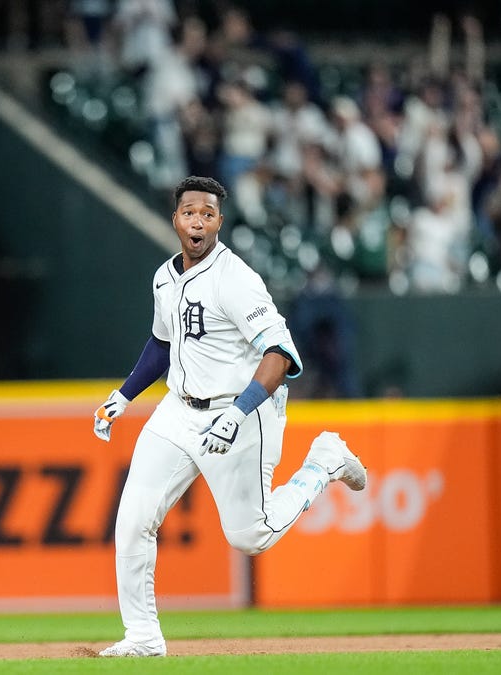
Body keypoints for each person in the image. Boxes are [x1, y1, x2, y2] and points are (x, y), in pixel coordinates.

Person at [92, 176, 366, 657]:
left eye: (208, 213)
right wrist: (125, 394)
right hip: (179, 410)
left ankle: (323, 463)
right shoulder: (163, 276)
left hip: (240, 410)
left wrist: (238, 414)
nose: (198, 220)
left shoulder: (235, 279)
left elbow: (280, 355)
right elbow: (163, 342)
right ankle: (142, 637)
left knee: (251, 536)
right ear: (175, 218)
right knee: (133, 519)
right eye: (189, 212)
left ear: (220, 222)